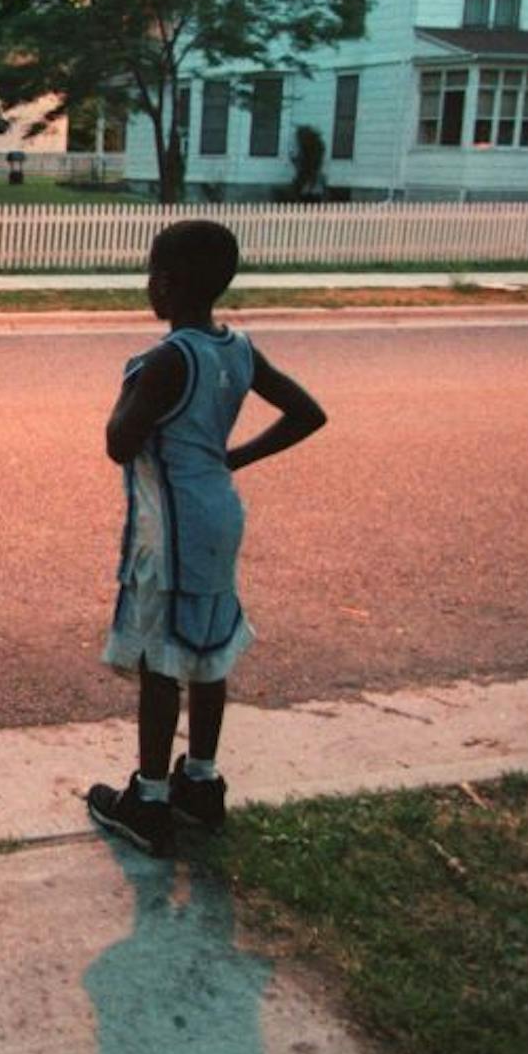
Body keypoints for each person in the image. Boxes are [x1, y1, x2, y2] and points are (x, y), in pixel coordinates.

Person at [85, 221, 327, 857]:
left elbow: (119, 443)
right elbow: (308, 413)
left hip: (171, 530)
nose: (147, 286)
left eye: (151, 275)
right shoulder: (238, 349)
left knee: (161, 661)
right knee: (209, 651)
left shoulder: (167, 360)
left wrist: (132, 384)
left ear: (166, 284)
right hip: (220, 514)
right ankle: (200, 779)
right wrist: (232, 457)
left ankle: (150, 800)